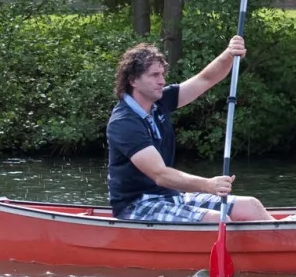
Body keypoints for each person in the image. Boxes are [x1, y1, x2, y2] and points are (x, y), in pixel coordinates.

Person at [106, 37, 273, 223]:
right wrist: (208, 185)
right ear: (133, 81)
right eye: (154, 75)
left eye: (162, 74)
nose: (162, 81)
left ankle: (282, 245)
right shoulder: (124, 123)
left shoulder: (160, 101)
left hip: (172, 197)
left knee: (250, 205)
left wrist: (229, 54)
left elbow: (205, 79)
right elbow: (160, 174)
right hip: (137, 205)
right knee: (218, 219)